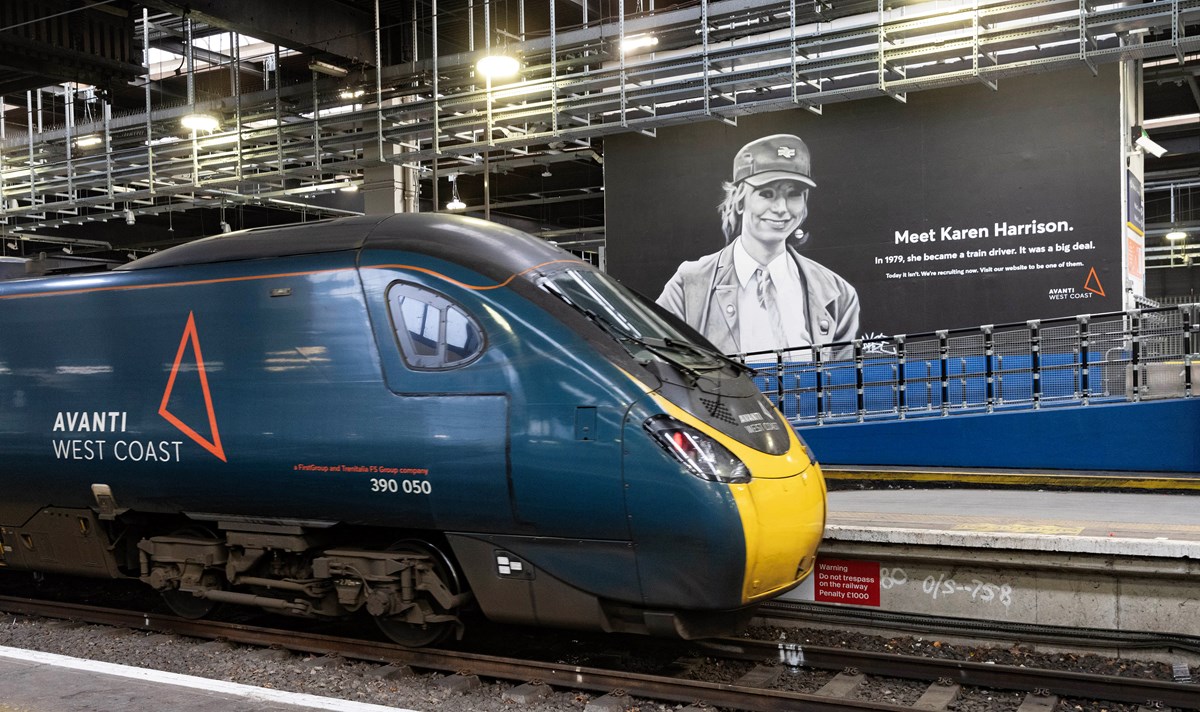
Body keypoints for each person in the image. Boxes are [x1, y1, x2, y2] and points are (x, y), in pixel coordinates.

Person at [656, 133, 860, 360]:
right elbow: (660, 365)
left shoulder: (837, 293)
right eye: (766, 194)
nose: (781, 208)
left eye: (794, 194)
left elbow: (843, 385)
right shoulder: (689, 284)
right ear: (740, 200)